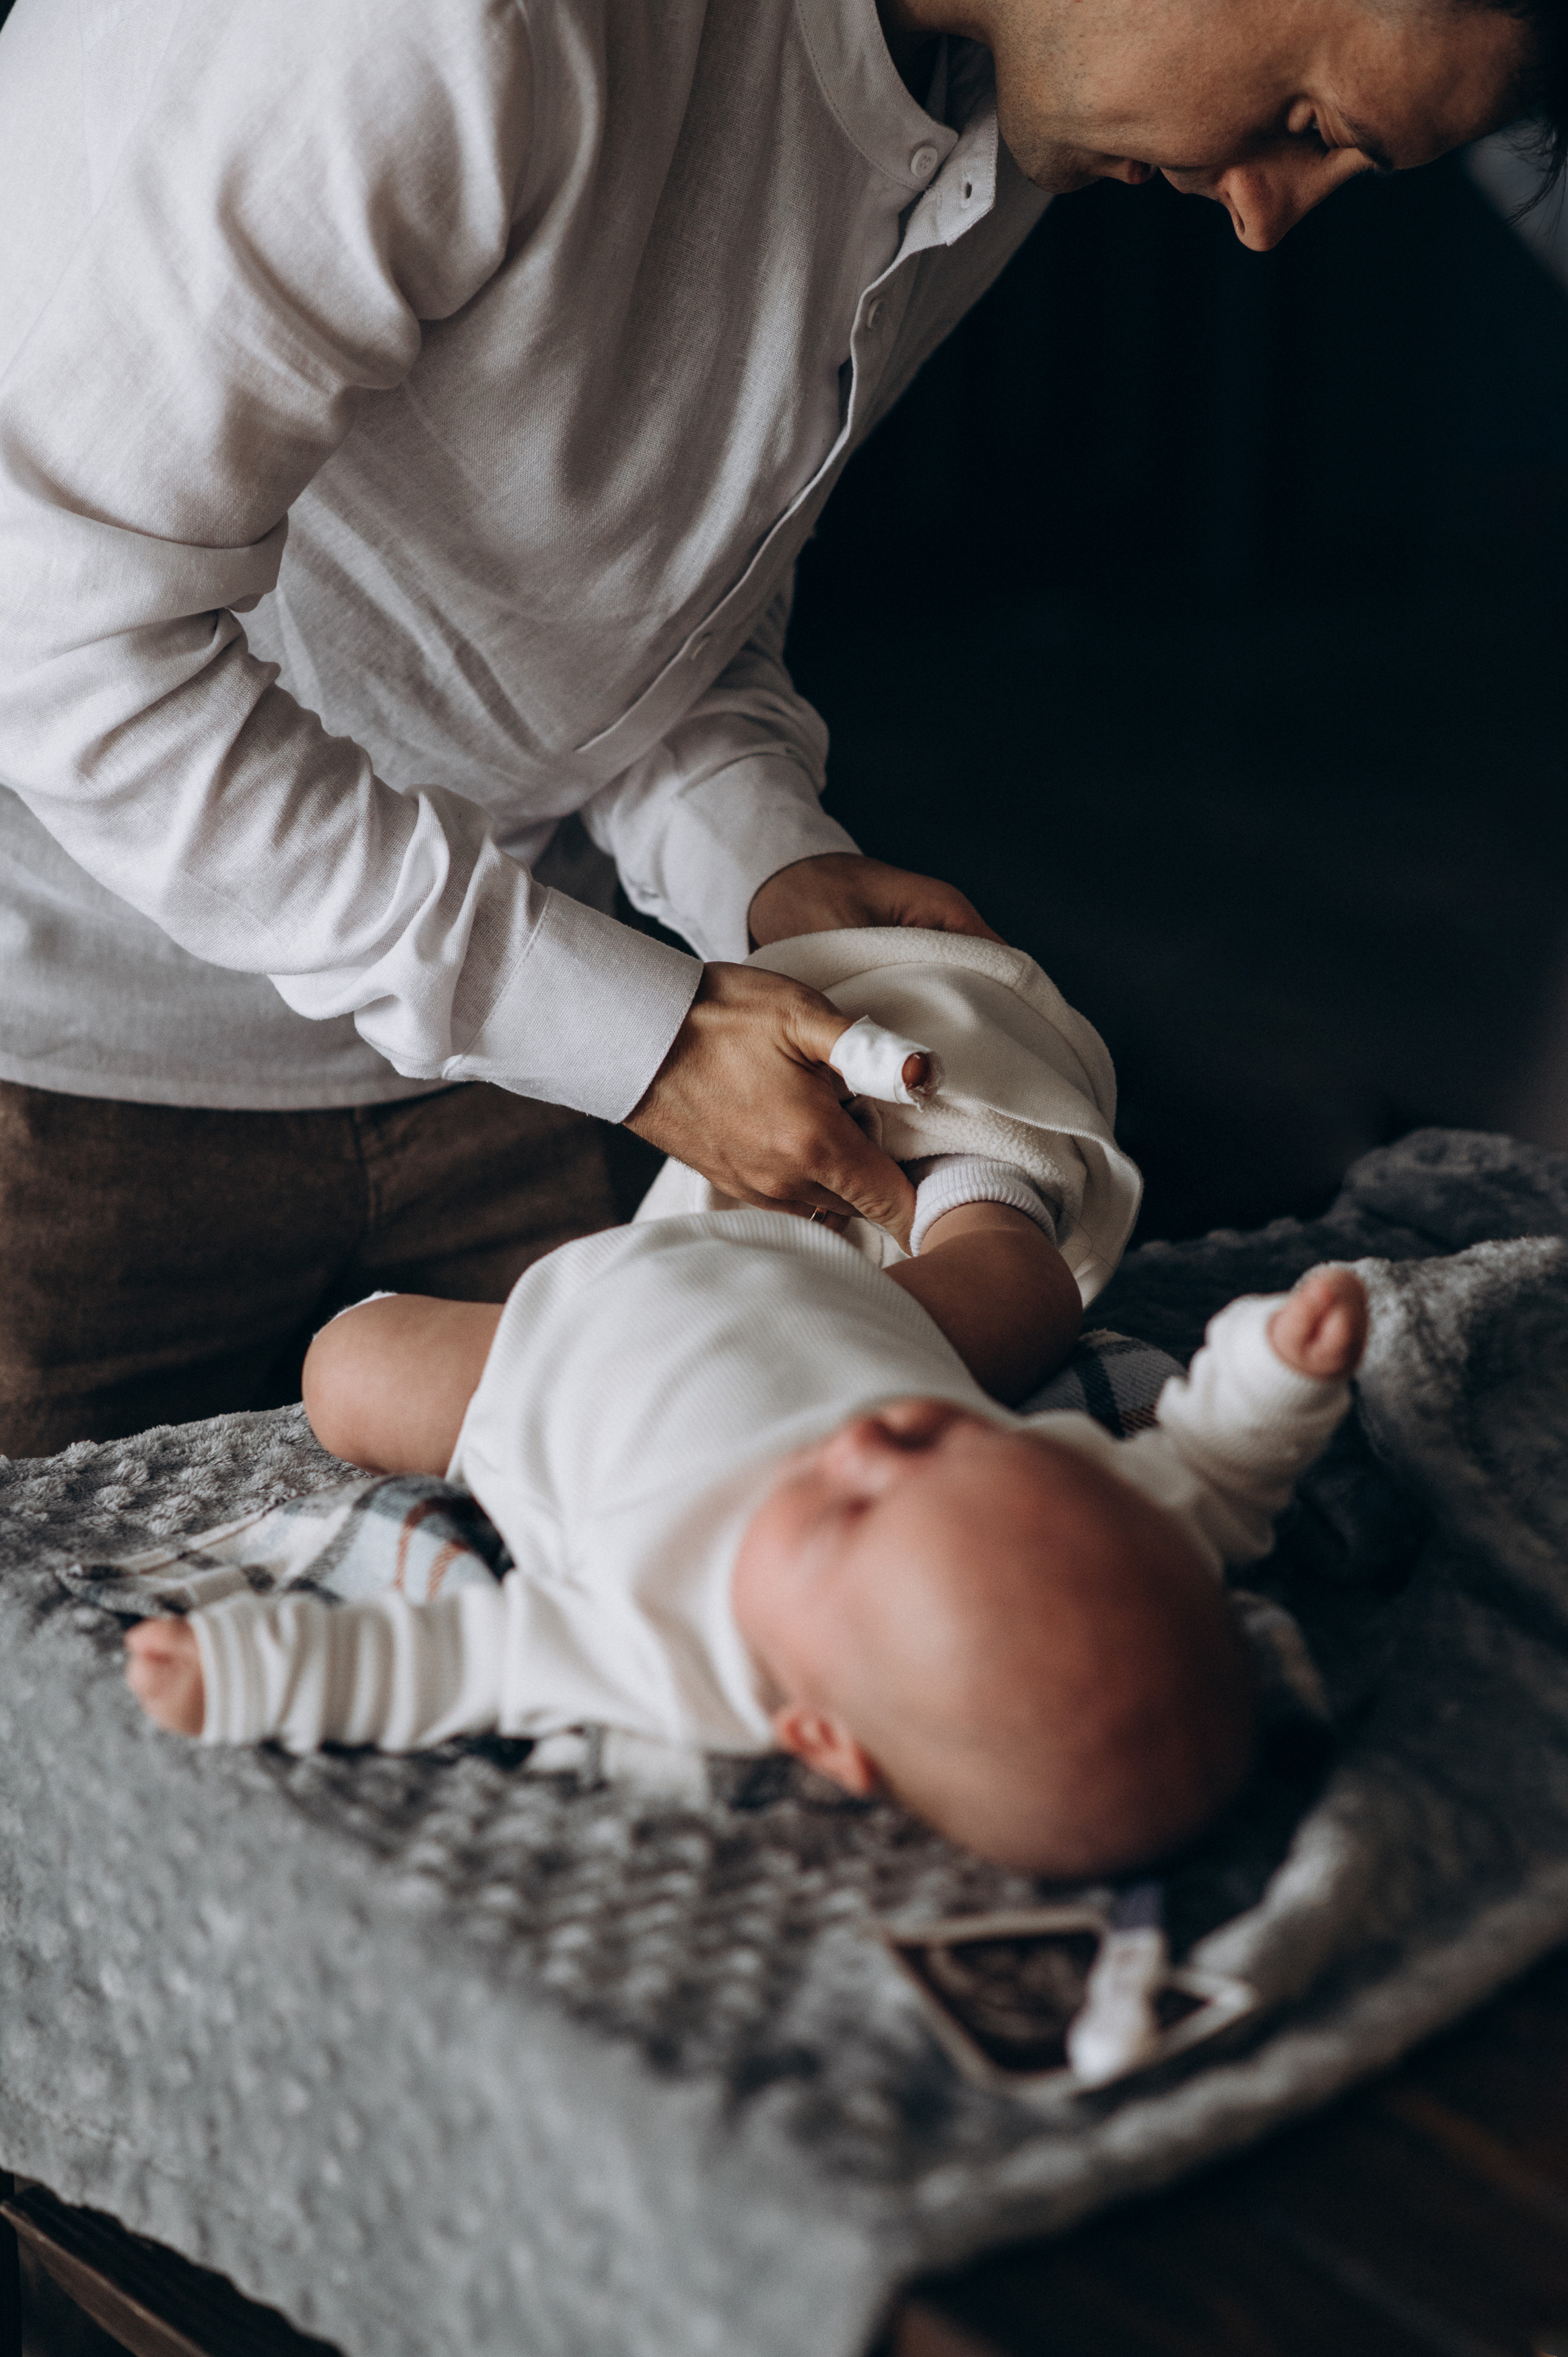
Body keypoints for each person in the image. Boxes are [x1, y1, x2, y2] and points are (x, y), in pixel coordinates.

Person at [0, 0, 1549, 1455]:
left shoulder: (993, 107)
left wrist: (753, 854)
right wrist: (636, 1032)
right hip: (63, 1077)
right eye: (1299, 114)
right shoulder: (435, 31)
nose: (1269, 213)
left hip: (523, 1057)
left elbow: (651, 568)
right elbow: (53, 633)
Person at [124, 1156, 1369, 1878]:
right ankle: (977, 1168)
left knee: (346, 1376)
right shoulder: (1081, 1520)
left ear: (820, 1735)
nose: (871, 1439)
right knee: (1027, 1292)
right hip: (829, 1292)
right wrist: (1281, 1374)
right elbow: (1210, 1479)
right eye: (941, 1439)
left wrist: (240, 1671)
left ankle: (706, 1199)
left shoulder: (660, 1652)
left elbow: (435, 1663)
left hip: (539, 1355)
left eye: (841, 1512)